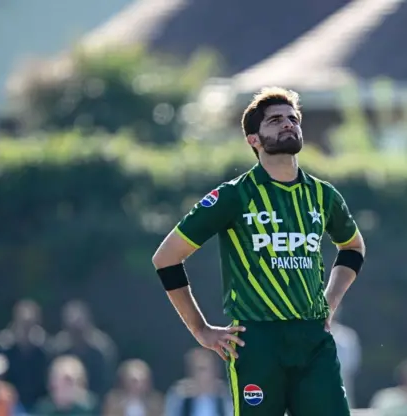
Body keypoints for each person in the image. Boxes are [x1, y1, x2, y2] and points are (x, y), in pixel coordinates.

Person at [152, 87, 366, 415]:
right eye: (275, 120)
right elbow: (166, 258)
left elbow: (352, 247)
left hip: (313, 339)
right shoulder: (233, 196)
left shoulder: (324, 196)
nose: (288, 124)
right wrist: (201, 329)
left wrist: (331, 301)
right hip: (257, 341)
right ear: (254, 139)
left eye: (293, 119)